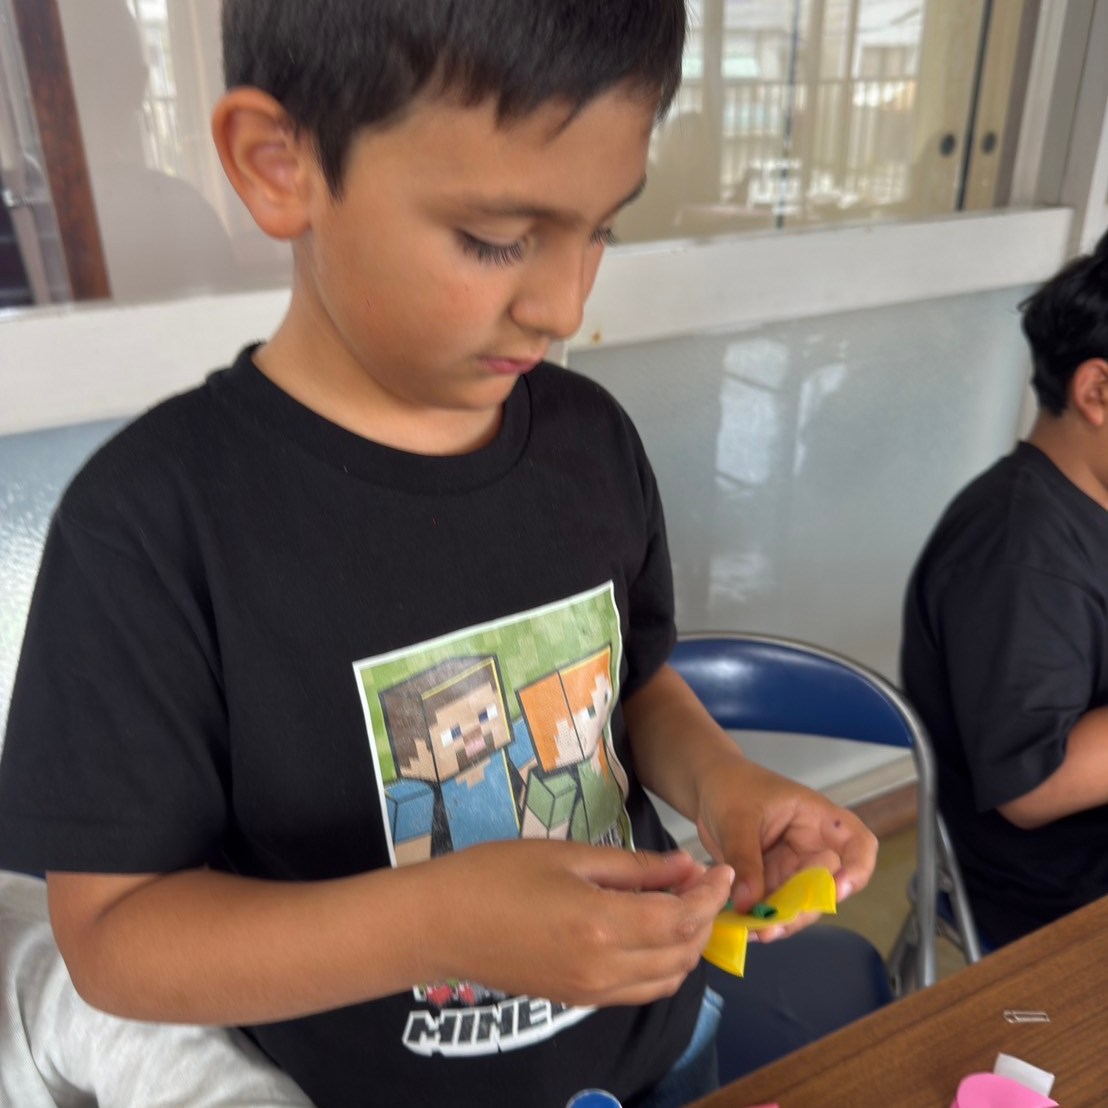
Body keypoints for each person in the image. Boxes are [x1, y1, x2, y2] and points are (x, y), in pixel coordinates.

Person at [0, 3, 877, 1105]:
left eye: (600, 230)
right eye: (497, 238)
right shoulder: (152, 526)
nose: (562, 305)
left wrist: (723, 784)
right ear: (280, 165)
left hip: (656, 1042)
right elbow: (113, 939)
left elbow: (631, 684)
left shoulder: (590, 441)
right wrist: (440, 923)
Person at [901, 229, 1108, 948]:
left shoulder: (1090, 503)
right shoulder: (1019, 551)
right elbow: (1033, 787)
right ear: (1098, 392)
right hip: (1055, 897)